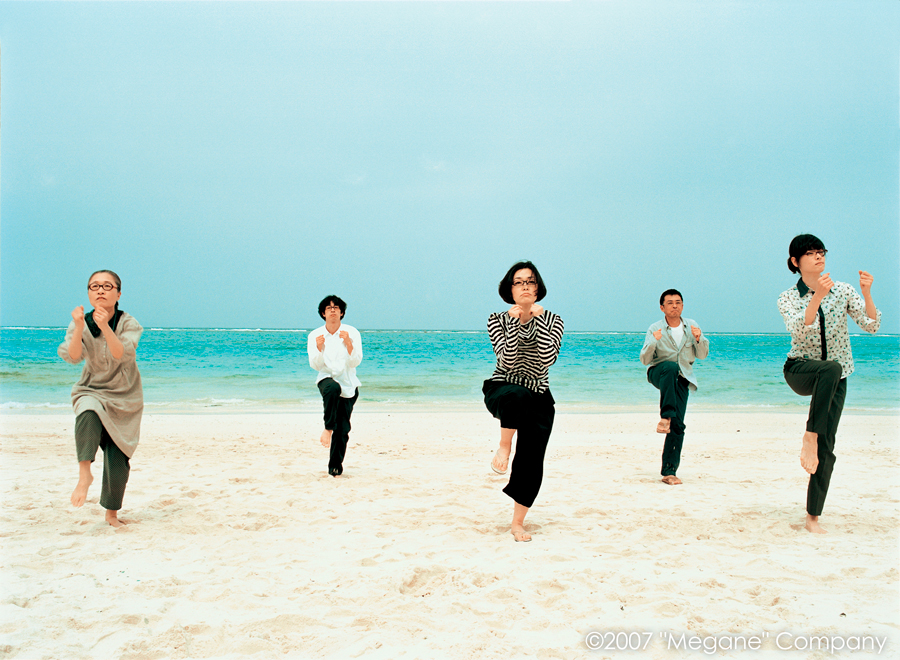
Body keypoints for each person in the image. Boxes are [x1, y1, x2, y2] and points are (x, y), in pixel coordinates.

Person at [777, 234, 880, 534]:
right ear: (796, 262)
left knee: (828, 446)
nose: (819, 257)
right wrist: (818, 297)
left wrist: (867, 292)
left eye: (821, 251)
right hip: (801, 369)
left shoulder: (844, 291)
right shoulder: (787, 297)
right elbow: (799, 327)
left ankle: (812, 516)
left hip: (836, 377)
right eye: (810, 253)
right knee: (829, 368)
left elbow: (871, 325)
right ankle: (810, 434)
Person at [483, 261, 564, 542]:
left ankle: (518, 522)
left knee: (531, 461)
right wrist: (517, 323)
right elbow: (506, 360)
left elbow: (546, 360)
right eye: (519, 282)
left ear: (538, 288)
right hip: (504, 389)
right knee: (517, 394)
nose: (525, 286)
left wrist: (536, 321)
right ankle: (504, 445)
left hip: (539, 396)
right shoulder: (497, 319)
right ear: (510, 289)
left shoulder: (554, 320)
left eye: (530, 281)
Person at [57, 270, 143, 528]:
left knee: (119, 457)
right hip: (91, 387)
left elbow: (120, 354)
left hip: (125, 394)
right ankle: (85, 474)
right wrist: (79, 328)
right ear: (89, 293)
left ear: (118, 293)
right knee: (87, 411)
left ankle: (111, 515)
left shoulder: (129, 323)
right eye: (94, 286)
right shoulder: (79, 322)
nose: (100, 290)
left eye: (107, 286)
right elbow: (73, 357)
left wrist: (105, 325)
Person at [639, 289, 709, 486]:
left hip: (682, 378)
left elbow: (702, 355)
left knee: (678, 424)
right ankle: (665, 415)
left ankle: (669, 471)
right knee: (670, 367)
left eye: (678, 302)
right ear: (662, 307)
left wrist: (699, 339)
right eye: (670, 303)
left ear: (683, 306)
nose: (674, 306)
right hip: (659, 373)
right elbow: (645, 360)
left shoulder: (692, 326)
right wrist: (654, 341)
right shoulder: (655, 328)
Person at [307, 295, 362, 477]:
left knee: (343, 429)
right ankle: (328, 428)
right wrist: (319, 348)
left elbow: (355, 362)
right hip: (326, 379)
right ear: (323, 313)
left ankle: (335, 467)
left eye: (336, 307)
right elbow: (315, 365)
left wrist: (348, 344)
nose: (332, 310)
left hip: (348, 384)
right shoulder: (315, 335)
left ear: (342, 312)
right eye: (328, 308)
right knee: (332, 388)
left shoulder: (352, 332)